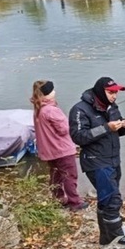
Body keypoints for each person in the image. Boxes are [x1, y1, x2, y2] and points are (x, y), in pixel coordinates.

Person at [69, 77, 125, 244]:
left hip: (113, 159)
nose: (114, 96)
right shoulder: (80, 110)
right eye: (110, 92)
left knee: (105, 200)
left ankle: (105, 240)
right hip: (95, 161)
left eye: (116, 92)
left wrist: (124, 127)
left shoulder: (112, 108)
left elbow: (117, 133)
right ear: (99, 91)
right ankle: (118, 241)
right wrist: (106, 128)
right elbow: (78, 137)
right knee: (113, 200)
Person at [30, 80, 88, 211]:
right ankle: (75, 202)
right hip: (62, 150)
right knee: (70, 175)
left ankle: (58, 199)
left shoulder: (38, 109)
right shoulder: (51, 110)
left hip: (49, 152)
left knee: (56, 175)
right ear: (47, 94)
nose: (54, 91)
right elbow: (64, 130)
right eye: (52, 90)